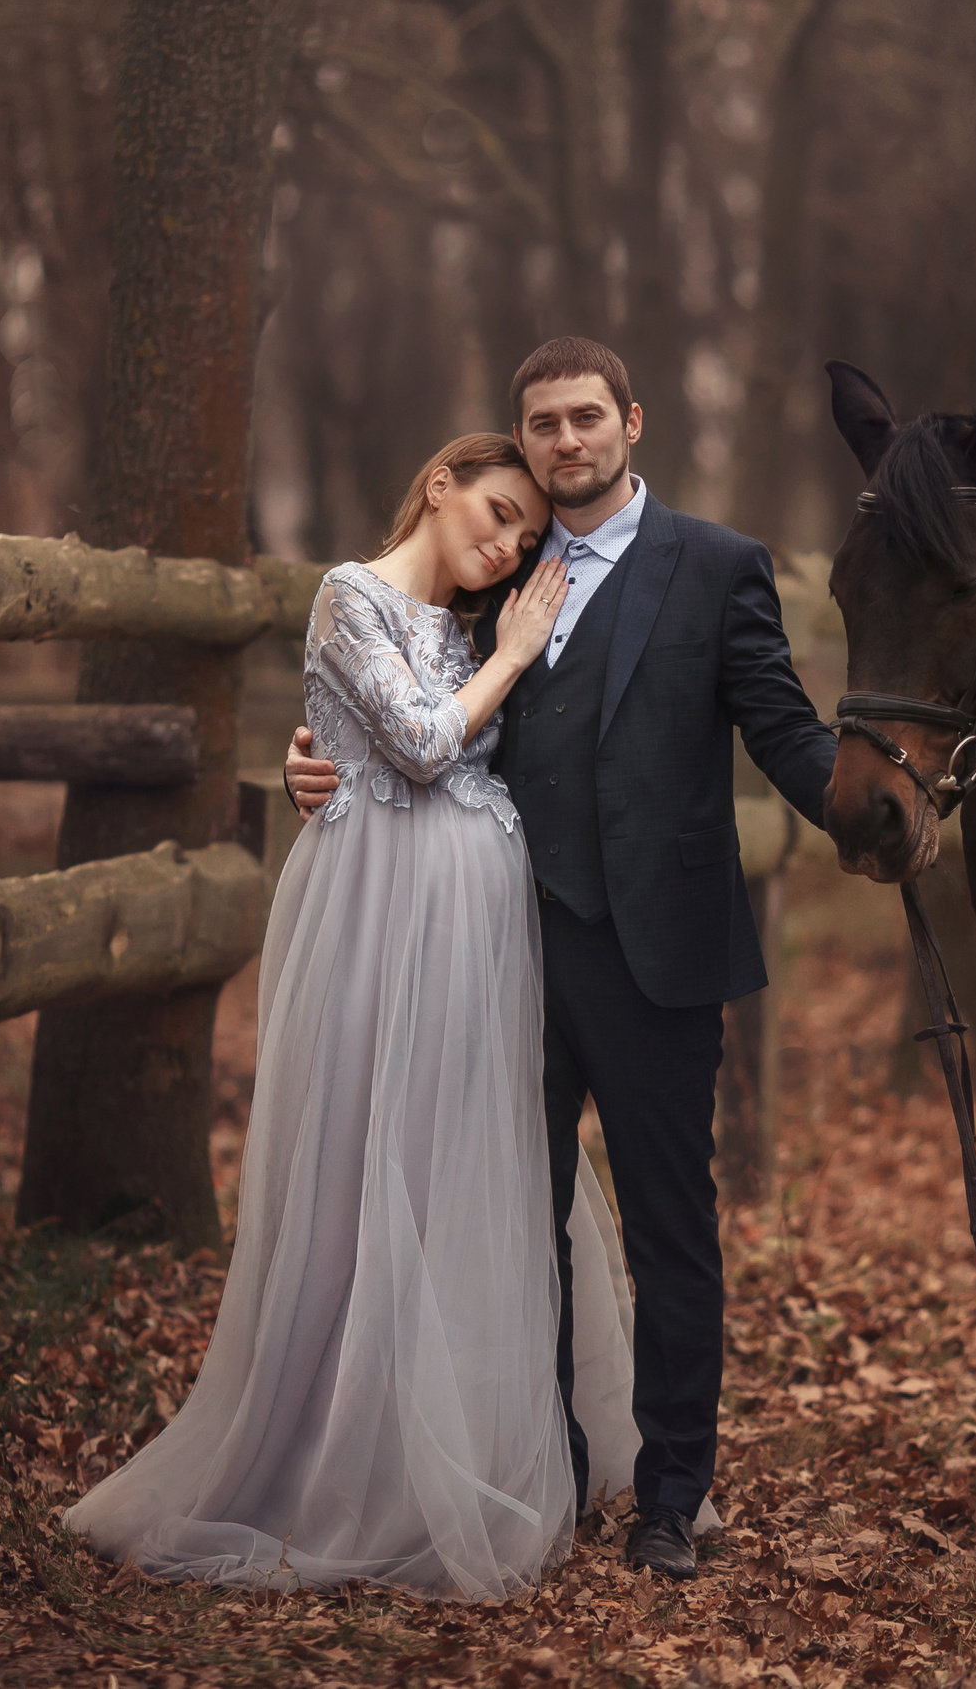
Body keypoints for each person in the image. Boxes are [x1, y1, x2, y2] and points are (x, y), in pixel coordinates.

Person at [286, 338, 838, 1580]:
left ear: (631, 422)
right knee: (513, 1224)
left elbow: (781, 728)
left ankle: (670, 1494)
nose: (565, 440)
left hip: (658, 958)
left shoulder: (716, 566)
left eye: (586, 416)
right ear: (521, 442)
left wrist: (862, 810)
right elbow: (402, 706)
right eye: (542, 424)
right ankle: (548, 1463)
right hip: (502, 955)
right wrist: (308, 763)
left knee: (669, 1230)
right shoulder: (493, 573)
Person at [66, 434, 650, 1601]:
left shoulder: (467, 631)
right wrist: (509, 657)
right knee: (361, 1161)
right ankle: (346, 1454)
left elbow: (470, 752)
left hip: (476, 943)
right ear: (439, 485)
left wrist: (484, 663)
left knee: (459, 1168)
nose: (507, 546)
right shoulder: (350, 595)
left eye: (526, 538)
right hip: (381, 924)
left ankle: (473, 1438)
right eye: (496, 513)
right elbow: (424, 746)